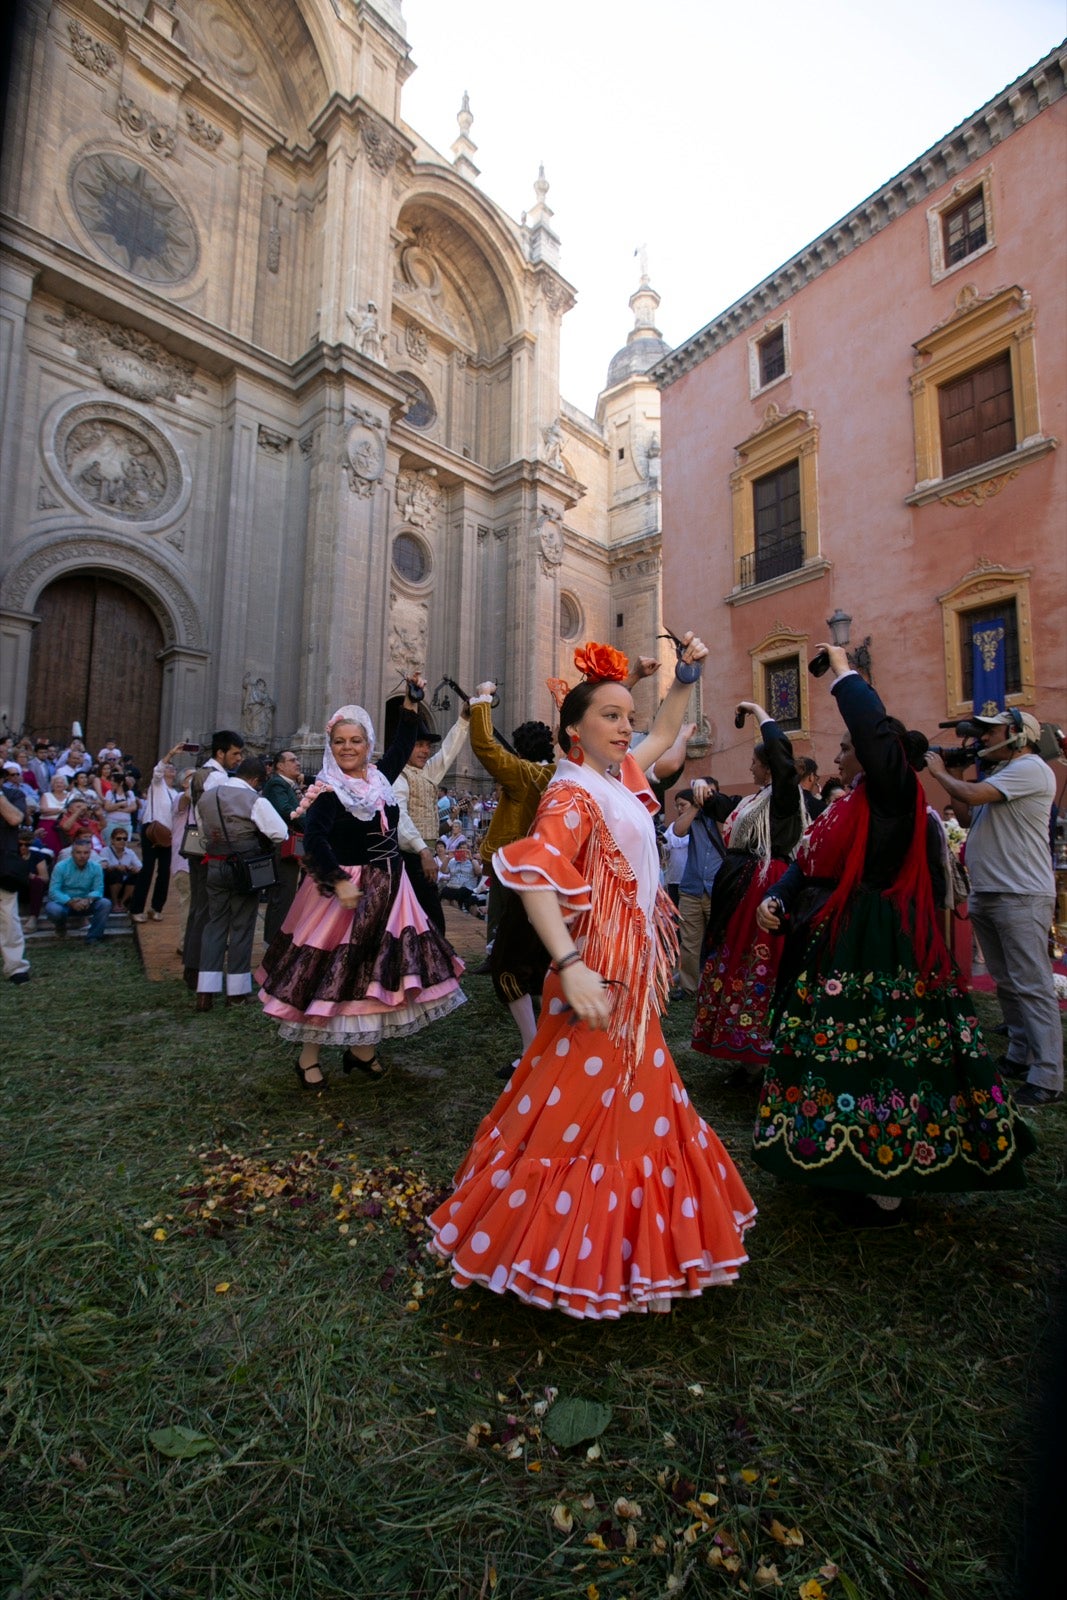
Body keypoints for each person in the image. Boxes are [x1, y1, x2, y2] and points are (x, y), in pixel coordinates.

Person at [428, 635, 756, 1319]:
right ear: (572, 729)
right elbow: (537, 881)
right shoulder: (570, 795)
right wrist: (570, 965)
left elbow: (666, 727)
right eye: (609, 716)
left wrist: (686, 673)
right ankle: (553, 1249)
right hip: (597, 976)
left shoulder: (614, 779)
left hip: (628, 978)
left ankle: (637, 1254)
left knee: (624, 1109)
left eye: (624, 716)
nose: (625, 727)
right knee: (577, 1119)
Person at [751, 648, 1035, 1218]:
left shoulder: (895, 794)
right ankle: (833, 1153)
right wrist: (778, 895)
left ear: (877, 753)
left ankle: (892, 1166)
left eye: (848, 745)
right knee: (831, 1053)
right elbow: (808, 861)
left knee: (888, 1055)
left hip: (882, 942)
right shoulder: (844, 805)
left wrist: (845, 673)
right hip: (837, 938)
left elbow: (872, 735)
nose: (838, 752)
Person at [257, 688, 466, 1088]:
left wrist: (410, 705)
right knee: (329, 972)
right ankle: (308, 1058)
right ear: (330, 746)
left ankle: (362, 1050)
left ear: (369, 744)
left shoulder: (379, 779)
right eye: (340, 742)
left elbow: (403, 744)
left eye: (356, 741)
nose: (348, 748)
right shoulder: (327, 791)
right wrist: (337, 881)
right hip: (345, 893)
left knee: (376, 969)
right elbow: (314, 842)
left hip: (391, 891)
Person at [926, 709, 1063, 1107]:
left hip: (1020, 892)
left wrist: (939, 772)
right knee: (1006, 981)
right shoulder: (1001, 777)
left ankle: (1048, 1074)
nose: (982, 739)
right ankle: (1021, 1055)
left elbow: (971, 796)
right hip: (993, 891)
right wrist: (954, 778)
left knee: (1032, 984)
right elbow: (967, 814)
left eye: (991, 732)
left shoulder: (1032, 768)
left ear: (1018, 734)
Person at [691, 701, 808, 1080]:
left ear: (769, 765)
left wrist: (760, 714)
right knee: (737, 961)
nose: (750, 768)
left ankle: (761, 1054)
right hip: (743, 891)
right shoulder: (756, 801)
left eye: (756, 763)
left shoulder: (785, 798)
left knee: (760, 965)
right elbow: (724, 805)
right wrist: (702, 793)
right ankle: (743, 1056)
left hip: (765, 886)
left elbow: (783, 759)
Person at [195, 755, 287, 1010]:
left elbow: (202, 831)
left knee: (215, 925)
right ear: (256, 780)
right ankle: (236, 992)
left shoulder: (207, 797)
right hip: (245, 868)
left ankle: (206, 991)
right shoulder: (254, 799)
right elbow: (280, 832)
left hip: (214, 864)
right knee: (242, 926)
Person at [395, 710, 470, 935]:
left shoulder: (426, 772)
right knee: (427, 919)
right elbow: (400, 817)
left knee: (427, 919)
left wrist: (463, 720)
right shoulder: (399, 776)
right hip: (409, 858)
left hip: (423, 856)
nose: (425, 751)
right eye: (419, 745)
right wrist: (423, 852)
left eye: (427, 746)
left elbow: (448, 752)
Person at [182, 730, 245, 988]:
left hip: (196, 844)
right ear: (220, 753)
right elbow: (218, 815)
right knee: (209, 911)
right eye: (235, 753)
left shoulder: (200, 774)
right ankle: (199, 969)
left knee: (199, 907)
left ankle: (193, 965)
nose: (239, 758)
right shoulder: (217, 778)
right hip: (211, 846)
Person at [668, 781, 727, 997]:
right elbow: (677, 831)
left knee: (720, 941)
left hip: (718, 888)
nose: (705, 796)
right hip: (691, 887)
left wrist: (715, 807)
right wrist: (695, 806)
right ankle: (688, 986)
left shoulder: (722, 815)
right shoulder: (694, 817)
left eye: (709, 793)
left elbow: (727, 837)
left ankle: (717, 985)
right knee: (690, 943)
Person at [129, 749, 181, 922]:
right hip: (152, 831)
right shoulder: (157, 785)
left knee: (164, 872)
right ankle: (136, 909)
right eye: (169, 767)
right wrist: (171, 755)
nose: (171, 769)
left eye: (173, 768)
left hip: (168, 835)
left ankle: (156, 907)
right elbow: (157, 770)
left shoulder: (175, 793)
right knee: (147, 870)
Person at [262, 749, 305, 945]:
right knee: (282, 895)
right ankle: (273, 943)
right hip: (283, 845)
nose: (298, 763)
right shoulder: (277, 784)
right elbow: (288, 812)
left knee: (286, 893)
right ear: (280, 765)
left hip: (290, 844)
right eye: (292, 760)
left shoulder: (289, 784)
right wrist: (311, 822)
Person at [45, 837, 112, 943]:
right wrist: (70, 902)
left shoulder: (96, 867)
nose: (82, 856)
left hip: (85, 902)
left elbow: (98, 889)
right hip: (64, 903)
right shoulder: (61, 867)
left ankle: (93, 937)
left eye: (86, 853)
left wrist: (88, 899)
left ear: (90, 853)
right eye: (78, 852)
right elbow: (53, 891)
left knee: (105, 903)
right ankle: (60, 926)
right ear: (72, 853)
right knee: (53, 909)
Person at [0, 775, 31, 983]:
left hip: (3, 866)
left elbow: (15, 818)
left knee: (8, 918)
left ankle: (15, 967)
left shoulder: (14, 795)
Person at [100, 822, 141, 910]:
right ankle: (115, 903)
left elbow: (140, 866)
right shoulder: (105, 851)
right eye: (119, 838)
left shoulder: (129, 852)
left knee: (136, 876)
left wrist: (134, 869)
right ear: (112, 840)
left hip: (124, 883)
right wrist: (116, 867)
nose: (122, 841)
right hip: (108, 883)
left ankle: (122, 902)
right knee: (116, 873)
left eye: (125, 839)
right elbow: (104, 866)